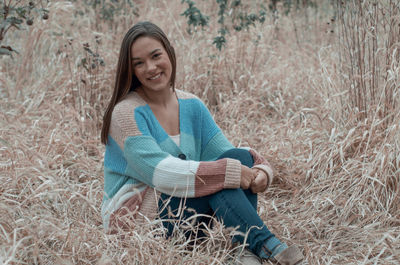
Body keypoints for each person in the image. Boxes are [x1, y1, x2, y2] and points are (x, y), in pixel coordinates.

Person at [100, 21, 303, 265]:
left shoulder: (192, 105)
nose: (151, 68)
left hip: (189, 221)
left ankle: (245, 253)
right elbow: (161, 173)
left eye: (156, 56)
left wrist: (261, 170)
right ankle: (270, 247)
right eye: (139, 63)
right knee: (221, 175)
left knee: (238, 159)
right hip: (143, 225)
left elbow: (228, 156)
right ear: (130, 71)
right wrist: (225, 172)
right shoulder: (126, 113)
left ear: (169, 53)